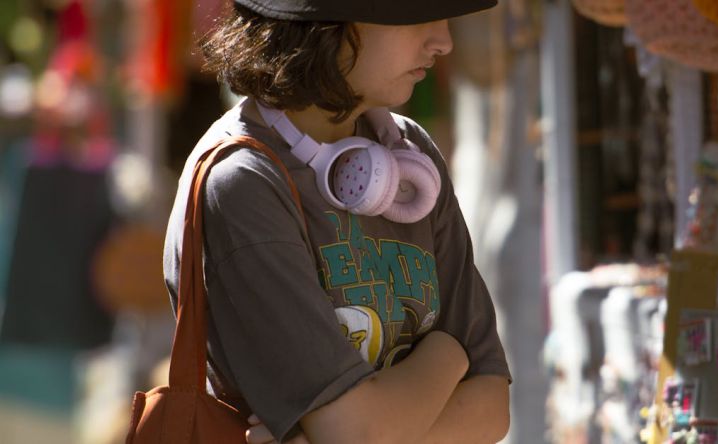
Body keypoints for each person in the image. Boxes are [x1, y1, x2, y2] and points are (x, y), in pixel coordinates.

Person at [162, 1, 512, 443]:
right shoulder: (243, 183)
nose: (443, 41)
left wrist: (371, 425)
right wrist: (450, 352)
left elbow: (492, 410)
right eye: (416, 14)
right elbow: (357, 434)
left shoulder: (411, 155)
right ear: (326, 24)